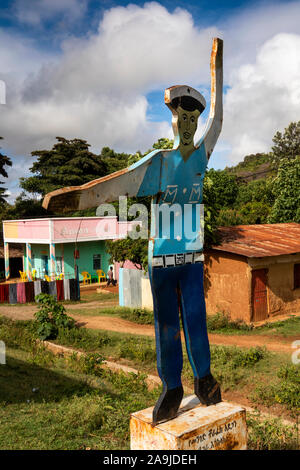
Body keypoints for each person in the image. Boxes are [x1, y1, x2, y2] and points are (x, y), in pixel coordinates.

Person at [43, 38, 223, 425]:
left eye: (195, 119)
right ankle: (172, 387)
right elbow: (114, 186)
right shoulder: (160, 162)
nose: (190, 125)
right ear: (174, 119)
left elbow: (220, 118)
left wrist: (216, 71)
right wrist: (73, 199)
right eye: (183, 118)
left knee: (196, 318)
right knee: (166, 325)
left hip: (192, 257)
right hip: (162, 260)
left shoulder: (203, 158)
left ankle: (204, 379)